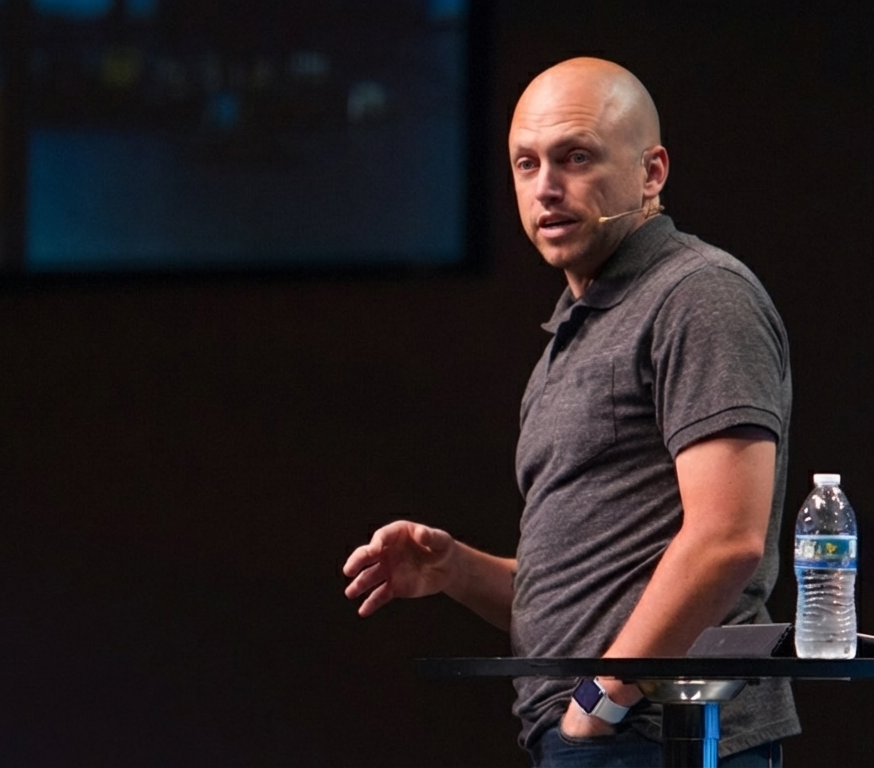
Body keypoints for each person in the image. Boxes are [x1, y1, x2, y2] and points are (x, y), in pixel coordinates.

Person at [342, 57, 799, 766]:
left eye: (575, 157)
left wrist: (602, 701)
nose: (546, 188)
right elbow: (592, 586)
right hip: (595, 739)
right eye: (526, 165)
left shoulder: (698, 296)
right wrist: (457, 570)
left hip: (661, 737)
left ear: (651, 173)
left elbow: (726, 540)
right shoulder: (578, 325)